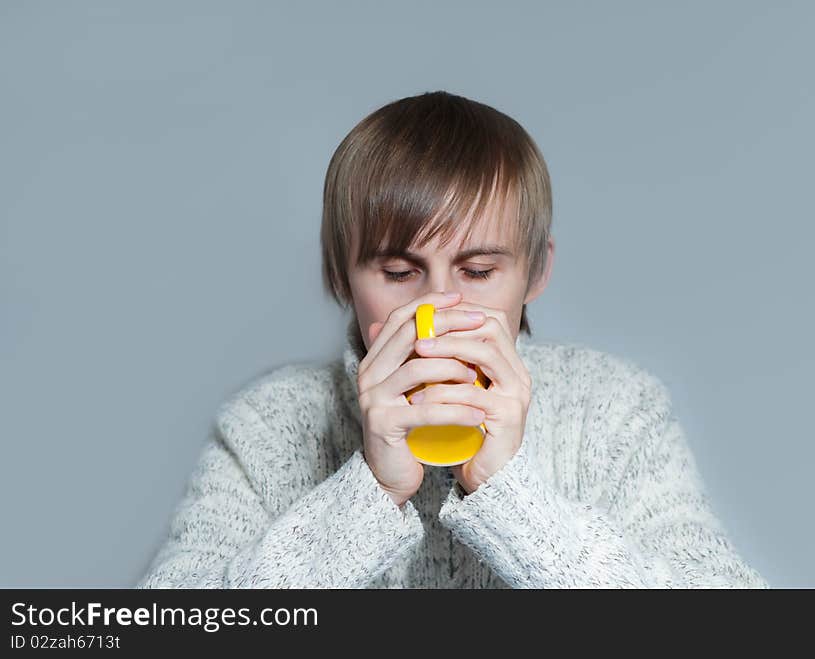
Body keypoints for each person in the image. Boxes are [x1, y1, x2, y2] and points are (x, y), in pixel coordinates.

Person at [136, 90, 768, 588]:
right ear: (339, 274)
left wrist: (510, 497)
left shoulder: (616, 410)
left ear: (536, 273)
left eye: (479, 271)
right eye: (399, 272)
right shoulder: (266, 425)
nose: (438, 306)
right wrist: (368, 495)